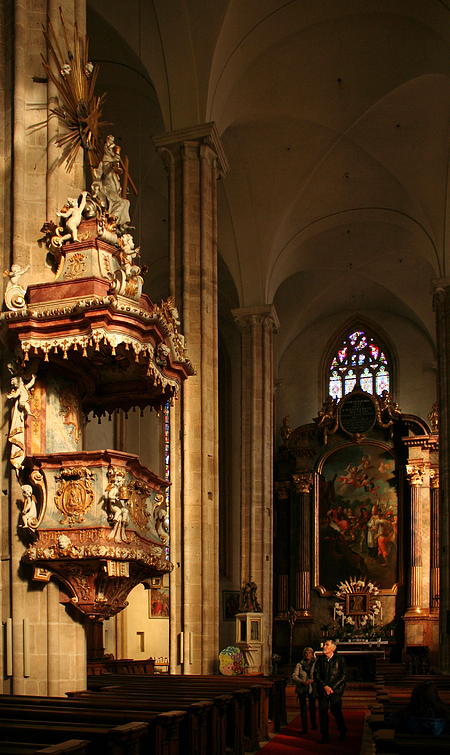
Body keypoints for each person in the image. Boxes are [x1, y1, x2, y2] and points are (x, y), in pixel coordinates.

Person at [313, 638, 347, 744]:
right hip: (323, 691)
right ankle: (325, 736)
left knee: (336, 712)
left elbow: (343, 675)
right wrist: (325, 687)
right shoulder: (320, 660)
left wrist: (331, 687)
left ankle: (342, 731)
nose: (324, 647)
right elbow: (316, 675)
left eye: (327, 645)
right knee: (323, 714)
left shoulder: (340, 659)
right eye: (324, 645)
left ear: (333, 648)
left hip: (335, 691)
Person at [292, 646, 317, 734]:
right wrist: (301, 682)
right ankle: (304, 727)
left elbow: (319, 675)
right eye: (306, 653)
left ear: (312, 654)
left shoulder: (315, 664)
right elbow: (294, 676)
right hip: (302, 688)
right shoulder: (300, 664)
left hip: (312, 687)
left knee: (312, 707)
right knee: (303, 708)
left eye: (309, 653)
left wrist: (313, 680)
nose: (307, 655)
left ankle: (314, 724)